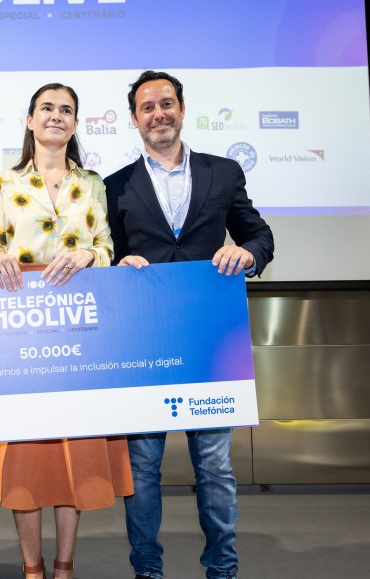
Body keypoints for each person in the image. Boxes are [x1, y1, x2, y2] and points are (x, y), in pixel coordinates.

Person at [104, 70, 274, 579]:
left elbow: (260, 235)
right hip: (143, 345)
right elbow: (105, 253)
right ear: (134, 120)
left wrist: (246, 251)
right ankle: (147, 570)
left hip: (208, 344)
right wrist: (114, 265)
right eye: (147, 107)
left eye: (167, 103)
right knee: (143, 470)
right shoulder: (113, 186)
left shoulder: (223, 173)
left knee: (216, 468)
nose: (159, 114)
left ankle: (222, 569)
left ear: (182, 108)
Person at [0, 83, 134, 579]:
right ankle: (32, 567)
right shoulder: (3, 182)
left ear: (76, 124)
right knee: (25, 457)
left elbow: (107, 249)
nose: (56, 117)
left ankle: (64, 566)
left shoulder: (96, 184)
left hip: (80, 330)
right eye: (47, 109)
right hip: (20, 334)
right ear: (30, 120)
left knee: (72, 452)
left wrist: (89, 254)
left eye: (66, 111)